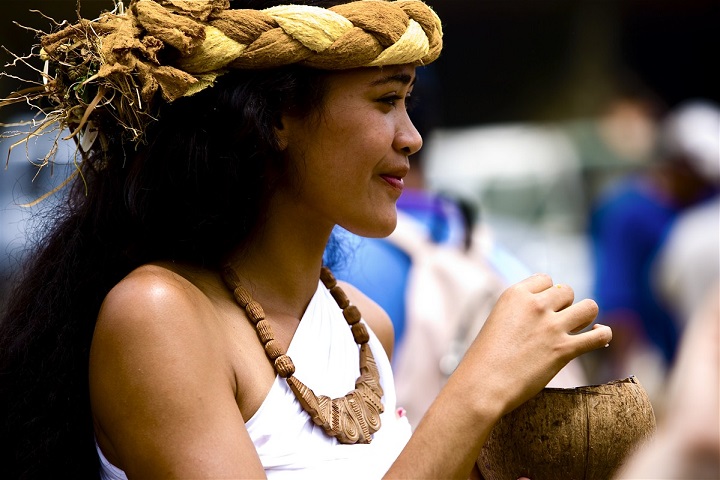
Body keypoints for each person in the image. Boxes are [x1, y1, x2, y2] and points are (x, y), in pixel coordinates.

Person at [0, 0, 612, 478]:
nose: (411, 138)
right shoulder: (160, 316)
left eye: (408, 102)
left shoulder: (367, 327)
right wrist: (477, 391)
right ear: (276, 118)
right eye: (385, 101)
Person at [587, 99, 719, 391]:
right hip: (652, 358)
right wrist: (628, 380)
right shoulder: (626, 212)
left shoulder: (705, 200)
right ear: (675, 162)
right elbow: (618, 301)